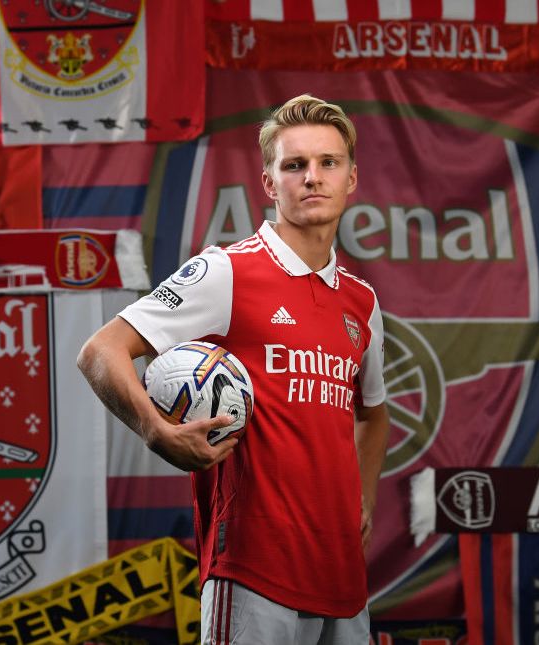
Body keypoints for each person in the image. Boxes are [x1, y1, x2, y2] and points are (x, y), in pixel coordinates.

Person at [77, 94, 390, 644]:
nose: (312, 177)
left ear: (351, 178)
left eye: (328, 163)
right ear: (270, 183)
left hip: (342, 574)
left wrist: (359, 503)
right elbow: (101, 351)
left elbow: (374, 412)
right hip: (252, 566)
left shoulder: (362, 303)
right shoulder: (226, 272)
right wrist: (158, 431)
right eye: (294, 165)